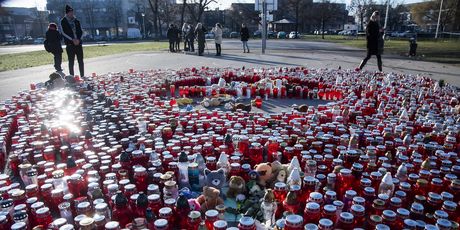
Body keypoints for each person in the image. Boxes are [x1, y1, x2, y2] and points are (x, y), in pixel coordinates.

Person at [60, 4, 84, 77]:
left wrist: (79, 40)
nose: (72, 14)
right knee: (71, 61)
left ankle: (82, 75)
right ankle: (71, 76)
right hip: (70, 44)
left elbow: (81, 31)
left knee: (80, 61)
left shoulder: (76, 21)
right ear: (67, 13)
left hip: (78, 44)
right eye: (70, 12)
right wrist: (72, 39)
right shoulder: (63, 21)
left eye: (72, 12)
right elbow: (63, 32)